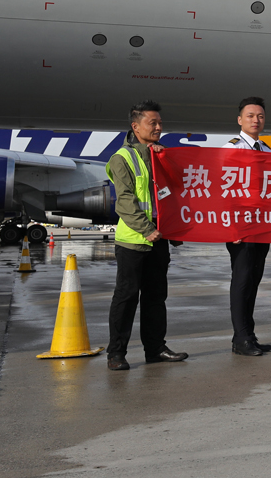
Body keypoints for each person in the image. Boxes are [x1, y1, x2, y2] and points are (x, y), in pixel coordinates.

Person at [105, 101, 187, 371]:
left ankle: (155, 349)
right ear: (135, 126)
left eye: (160, 123)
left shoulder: (158, 155)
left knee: (156, 297)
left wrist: (173, 230)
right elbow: (125, 201)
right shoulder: (122, 158)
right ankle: (116, 354)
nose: (159, 127)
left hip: (159, 239)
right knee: (127, 297)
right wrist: (147, 228)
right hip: (133, 240)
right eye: (153, 123)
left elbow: (171, 195)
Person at [222, 97, 271, 356]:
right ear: (239, 120)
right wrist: (231, 228)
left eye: (260, 116)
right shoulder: (231, 148)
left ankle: (248, 335)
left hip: (261, 226)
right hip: (241, 227)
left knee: (254, 280)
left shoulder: (266, 149)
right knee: (242, 281)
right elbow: (223, 190)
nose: (256, 120)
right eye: (250, 116)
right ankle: (241, 338)